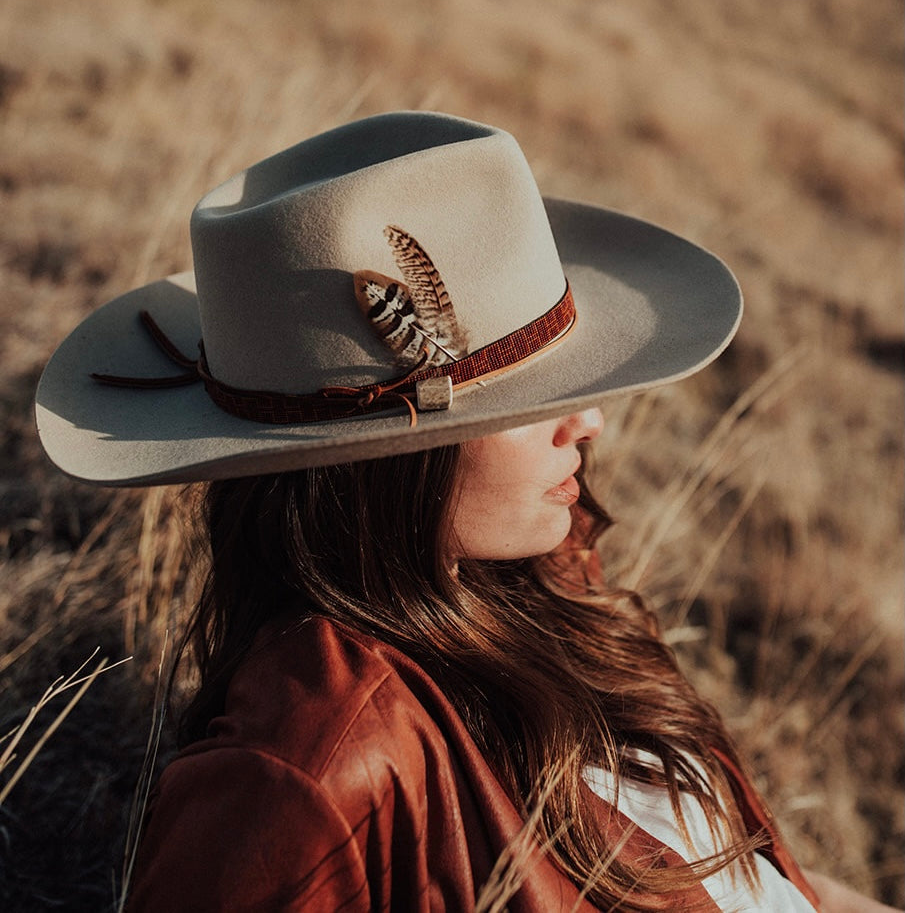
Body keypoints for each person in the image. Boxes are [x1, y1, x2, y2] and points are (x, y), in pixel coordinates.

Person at [36, 112, 896, 912]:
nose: (589, 423)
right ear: (384, 464)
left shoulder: (531, 577)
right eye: (524, 401)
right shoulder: (307, 776)